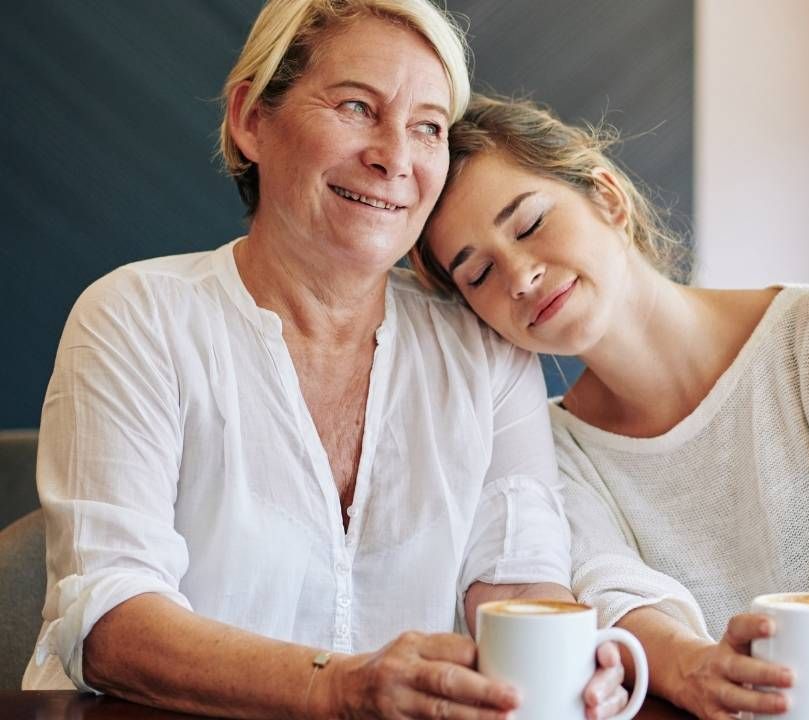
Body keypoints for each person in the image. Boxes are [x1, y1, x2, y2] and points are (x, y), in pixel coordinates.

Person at [22, 4, 627, 718]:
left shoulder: (484, 352)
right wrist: (333, 687)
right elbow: (111, 622)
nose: (395, 156)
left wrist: (572, 658)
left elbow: (519, 584)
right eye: (355, 107)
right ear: (252, 120)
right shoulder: (136, 318)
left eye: (428, 126)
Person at [415, 95, 809, 720]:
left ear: (607, 196)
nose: (519, 277)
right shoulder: (548, 450)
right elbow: (617, 599)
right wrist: (697, 669)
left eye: (529, 225)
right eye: (478, 276)